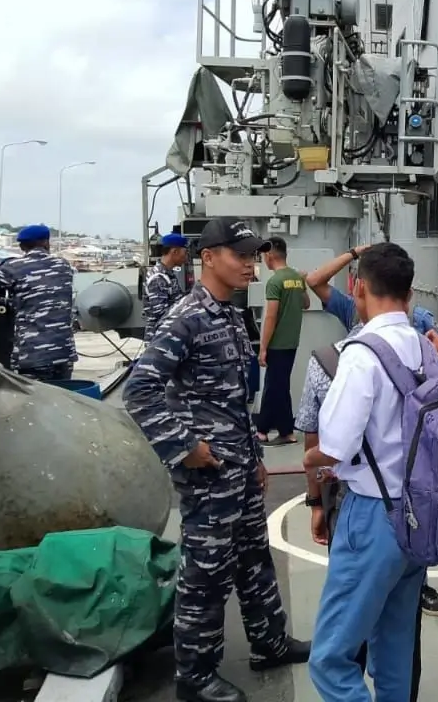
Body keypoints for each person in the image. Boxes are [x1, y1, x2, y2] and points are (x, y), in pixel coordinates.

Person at [124, 218, 310, 702]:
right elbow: (140, 390)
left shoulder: (227, 314)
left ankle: (269, 642)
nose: (250, 265)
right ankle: (195, 675)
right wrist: (185, 446)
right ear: (208, 257)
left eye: (253, 256)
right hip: (208, 474)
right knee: (205, 573)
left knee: (254, 558)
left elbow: (234, 399)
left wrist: (255, 457)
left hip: (239, 467)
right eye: (240, 255)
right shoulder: (186, 317)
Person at [305, 243, 429, 702]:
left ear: (357, 288)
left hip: (373, 514)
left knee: (330, 658)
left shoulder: (361, 354)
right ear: (409, 292)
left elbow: (334, 447)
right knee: (394, 651)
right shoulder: (425, 348)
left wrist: (310, 460)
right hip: (420, 515)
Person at [0, 224, 77, 382]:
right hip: (63, 351)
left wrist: (11, 302)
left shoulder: (11, 267)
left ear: (21, 246)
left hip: (32, 352)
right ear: (46, 243)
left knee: (35, 396)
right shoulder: (63, 265)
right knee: (61, 393)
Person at [255, 237, 309, 445]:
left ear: (269, 255)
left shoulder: (275, 282)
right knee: (279, 385)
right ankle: (282, 430)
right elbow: (306, 304)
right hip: (292, 342)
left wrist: (263, 347)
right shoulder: (296, 278)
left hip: (277, 343)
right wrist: (303, 285)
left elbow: (270, 316)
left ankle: (267, 431)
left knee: (273, 386)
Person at [142, 232, 189, 343]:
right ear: (175, 252)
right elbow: (161, 313)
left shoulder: (167, 275)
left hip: (169, 334)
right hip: (161, 339)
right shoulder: (158, 277)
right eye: (185, 253)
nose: (186, 257)